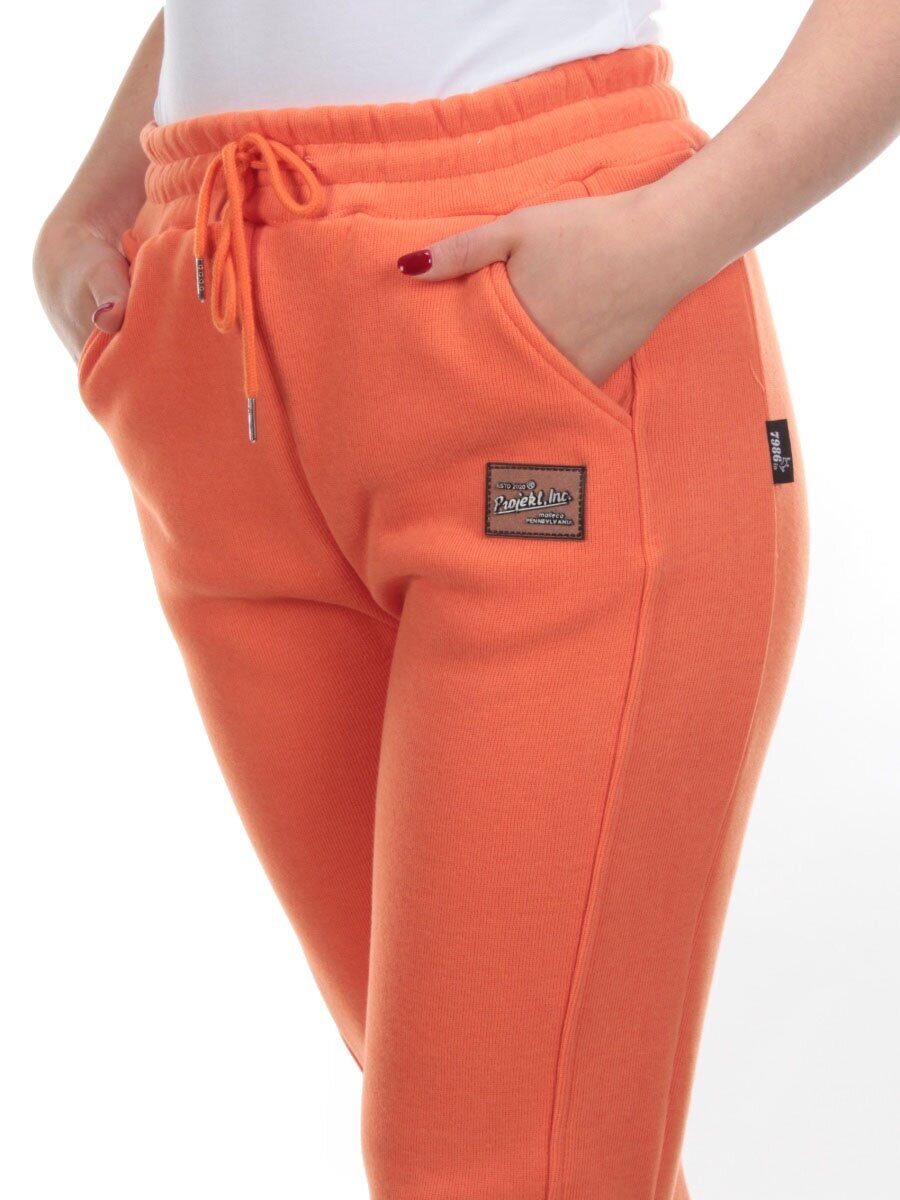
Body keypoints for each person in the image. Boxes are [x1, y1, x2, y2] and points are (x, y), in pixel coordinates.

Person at [32, 4, 900, 1198]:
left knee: (486, 1168)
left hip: (531, 309)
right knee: (513, 1143)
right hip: (219, 338)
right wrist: (103, 194)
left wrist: (669, 239)